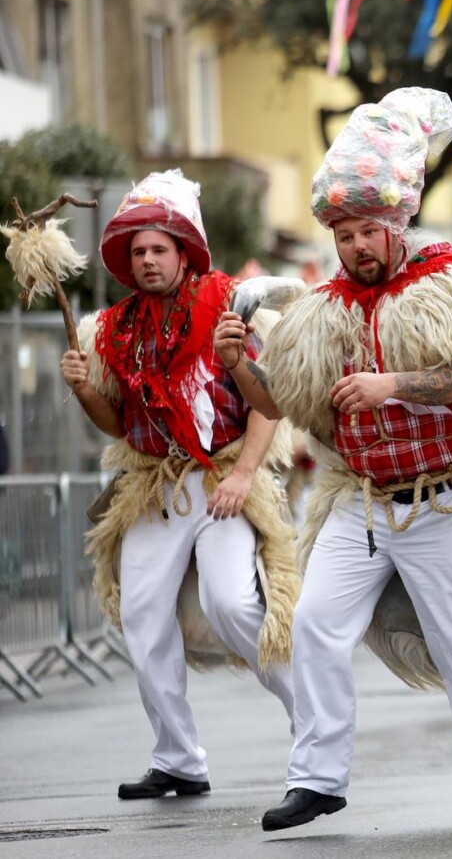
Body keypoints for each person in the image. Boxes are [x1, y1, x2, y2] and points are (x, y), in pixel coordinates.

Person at [215, 88, 452, 831]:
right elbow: (281, 404)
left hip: (444, 499)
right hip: (360, 503)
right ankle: (317, 778)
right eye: (343, 235)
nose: (356, 248)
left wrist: (391, 386)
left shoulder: (447, 283)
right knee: (313, 626)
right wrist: (242, 365)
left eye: (367, 231)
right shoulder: (320, 309)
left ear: (396, 222)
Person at [63, 170, 297, 800]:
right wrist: (85, 388)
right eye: (137, 251)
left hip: (221, 476)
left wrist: (244, 476)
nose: (146, 260)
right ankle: (178, 758)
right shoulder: (115, 328)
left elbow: (267, 403)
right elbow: (119, 424)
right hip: (152, 487)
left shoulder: (230, 303)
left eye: (157, 248)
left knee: (231, 602)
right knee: (140, 616)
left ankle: (316, 723)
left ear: (183, 251)